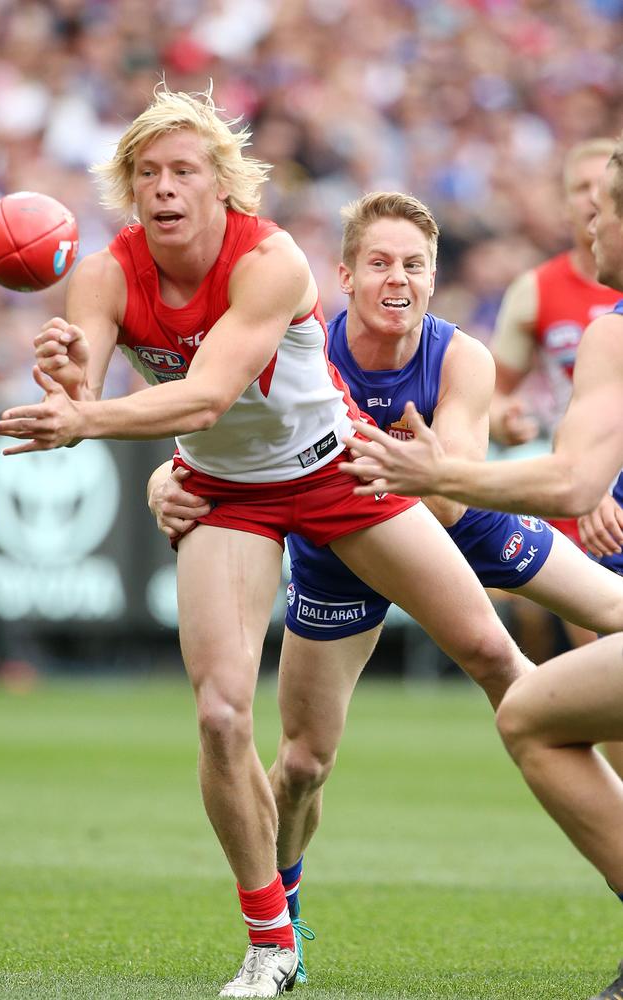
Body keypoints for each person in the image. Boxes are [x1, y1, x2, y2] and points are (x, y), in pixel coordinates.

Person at [0, 85, 536, 999]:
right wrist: (64, 370)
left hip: (337, 473)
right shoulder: (105, 272)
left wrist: (85, 416)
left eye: (184, 171)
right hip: (225, 496)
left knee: (493, 654)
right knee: (220, 716)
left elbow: (204, 398)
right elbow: (82, 366)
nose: (164, 188)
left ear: (223, 185)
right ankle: (270, 941)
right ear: (129, 185)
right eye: (147, 173)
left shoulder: (271, 258)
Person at [148, 192, 623, 989]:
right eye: (379, 263)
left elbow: (451, 492)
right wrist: (164, 480)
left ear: (434, 281)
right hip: (335, 545)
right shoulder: (299, 344)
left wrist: (413, 464)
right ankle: (281, 928)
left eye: (414, 265)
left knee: (581, 631)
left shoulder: (457, 355)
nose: (396, 278)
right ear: (344, 276)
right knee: (302, 762)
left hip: (456, 524)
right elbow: (209, 441)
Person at [339, 138, 623, 1000]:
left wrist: (437, 474)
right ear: (346, 273)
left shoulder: (610, 331)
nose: (590, 215)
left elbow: (572, 480)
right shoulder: (556, 304)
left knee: (530, 709)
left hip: (501, 508)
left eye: (604, 200)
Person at [488, 137, 621, 652]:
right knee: (605, 672)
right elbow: (494, 394)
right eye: (580, 187)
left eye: (600, 186)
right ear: (565, 204)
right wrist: (506, 420)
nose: (591, 197)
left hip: (603, 482)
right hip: (581, 492)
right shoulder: (537, 289)